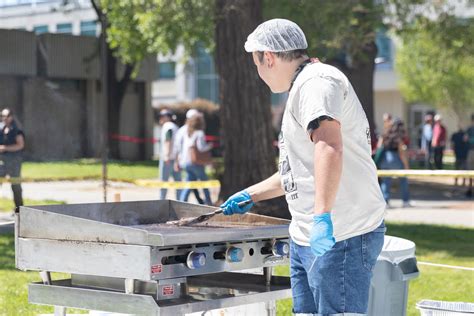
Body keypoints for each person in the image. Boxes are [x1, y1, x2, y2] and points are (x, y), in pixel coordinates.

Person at [220, 19, 386, 315]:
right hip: (305, 235)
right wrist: (251, 194)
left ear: (267, 57)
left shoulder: (315, 83)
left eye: (256, 63)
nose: (258, 73)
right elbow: (300, 169)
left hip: (341, 233)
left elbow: (328, 146)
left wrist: (322, 218)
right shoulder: (302, 88)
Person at [178, 113, 213, 205]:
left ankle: (182, 202)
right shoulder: (200, 133)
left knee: (189, 183)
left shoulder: (189, 133)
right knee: (204, 182)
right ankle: (209, 202)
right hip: (196, 163)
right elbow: (201, 148)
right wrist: (210, 146)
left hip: (187, 162)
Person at [378, 119, 411, 207]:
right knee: (403, 180)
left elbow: (379, 147)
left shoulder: (385, 135)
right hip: (395, 160)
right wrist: (406, 166)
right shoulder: (398, 137)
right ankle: (405, 201)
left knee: (385, 181)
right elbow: (402, 153)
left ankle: (385, 202)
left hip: (384, 160)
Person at [174, 109, 205, 204]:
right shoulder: (190, 131)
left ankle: (196, 201)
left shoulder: (187, 130)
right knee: (197, 182)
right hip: (191, 161)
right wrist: (176, 161)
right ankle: (205, 201)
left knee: (191, 182)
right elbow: (178, 147)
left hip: (185, 161)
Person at [0, 108, 25, 212]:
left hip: (14, 160)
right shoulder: (1, 129)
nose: (5, 118)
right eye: (2, 116)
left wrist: (5, 148)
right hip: (2, 161)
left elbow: (20, 145)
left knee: (15, 185)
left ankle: (19, 210)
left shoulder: (17, 130)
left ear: (11, 116)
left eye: (7, 116)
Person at [158, 109, 181, 200]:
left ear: (167, 117)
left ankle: (161, 200)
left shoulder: (168, 126)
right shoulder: (175, 126)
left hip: (168, 158)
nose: (160, 118)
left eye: (162, 116)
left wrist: (166, 155)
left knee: (163, 182)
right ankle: (180, 201)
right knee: (178, 183)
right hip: (176, 158)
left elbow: (168, 140)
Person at [466, 114, 474, 197]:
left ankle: (470, 189)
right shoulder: (469, 129)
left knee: (471, 171)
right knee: (471, 171)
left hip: (471, 152)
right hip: (471, 151)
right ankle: (470, 189)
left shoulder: (469, 129)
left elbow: (465, 139)